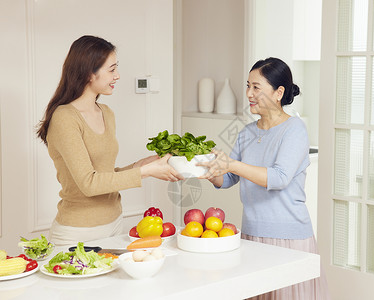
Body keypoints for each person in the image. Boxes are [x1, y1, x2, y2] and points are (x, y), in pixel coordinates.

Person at [199, 57, 330, 299]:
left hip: (288, 238)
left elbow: (279, 177)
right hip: (251, 236)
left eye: (256, 87)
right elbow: (228, 179)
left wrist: (232, 164)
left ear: (279, 92)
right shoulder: (247, 132)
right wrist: (208, 170)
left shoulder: (295, 129)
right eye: (247, 85)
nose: (249, 93)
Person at [36, 35, 183, 246]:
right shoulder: (65, 117)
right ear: (89, 73)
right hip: (76, 233)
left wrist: (142, 165)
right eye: (111, 69)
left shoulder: (106, 112)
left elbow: (105, 176)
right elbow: (89, 183)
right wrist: (144, 172)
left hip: (114, 226)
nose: (118, 76)